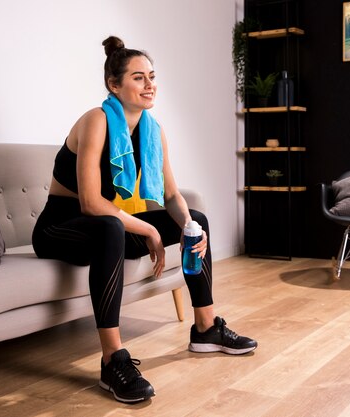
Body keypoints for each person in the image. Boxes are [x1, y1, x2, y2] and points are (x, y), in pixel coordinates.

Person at [32, 35, 257, 404]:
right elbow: (91, 202)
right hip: (60, 227)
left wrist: (188, 226)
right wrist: (148, 229)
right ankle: (112, 360)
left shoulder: (152, 131)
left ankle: (205, 328)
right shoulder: (96, 121)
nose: (150, 84)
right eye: (138, 77)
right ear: (114, 84)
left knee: (195, 218)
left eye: (151, 76)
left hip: (106, 224)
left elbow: (170, 195)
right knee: (110, 225)